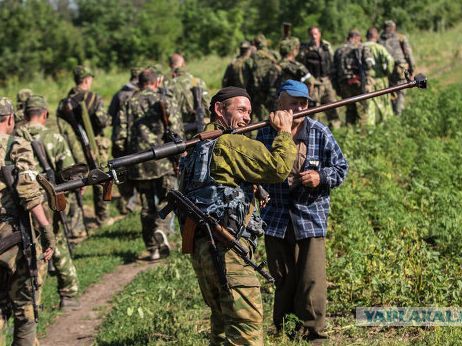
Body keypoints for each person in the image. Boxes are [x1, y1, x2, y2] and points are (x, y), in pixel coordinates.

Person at [179, 86, 296, 345]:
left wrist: (253, 187)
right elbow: (279, 168)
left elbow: (215, 185)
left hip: (203, 254)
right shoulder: (229, 142)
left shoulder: (197, 146)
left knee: (222, 326)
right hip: (228, 251)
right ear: (219, 110)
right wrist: (285, 132)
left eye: (250, 112)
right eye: (241, 110)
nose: (246, 118)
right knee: (246, 331)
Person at [256, 80, 348, 343]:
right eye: (293, 103)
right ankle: (285, 330)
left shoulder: (319, 132)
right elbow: (253, 172)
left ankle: (313, 334)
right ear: (279, 104)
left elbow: (341, 168)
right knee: (283, 278)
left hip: (310, 217)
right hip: (275, 219)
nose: (298, 108)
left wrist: (321, 177)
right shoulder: (264, 134)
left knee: (312, 279)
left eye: (303, 103)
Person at [17, 95, 81, 310]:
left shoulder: (14, 139)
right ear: (44, 114)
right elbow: (71, 172)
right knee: (56, 244)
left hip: (21, 203)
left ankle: (33, 300)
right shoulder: (54, 138)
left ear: (25, 115)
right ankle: (69, 294)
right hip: (50, 202)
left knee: (27, 249)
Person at [0, 97, 55, 346]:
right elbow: (29, 194)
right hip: (12, 238)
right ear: (11, 119)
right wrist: (47, 230)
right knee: (25, 309)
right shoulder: (16, 144)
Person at [114, 67, 183, 261]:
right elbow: (177, 132)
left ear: (139, 82)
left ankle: (152, 248)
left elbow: (119, 137)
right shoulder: (164, 100)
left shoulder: (128, 102)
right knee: (170, 198)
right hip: (165, 160)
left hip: (138, 162)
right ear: (156, 82)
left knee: (146, 206)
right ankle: (161, 228)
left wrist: (122, 162)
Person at [57, 65, 110, 227]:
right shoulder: (93, 98)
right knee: (101, 178)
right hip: (94, 145)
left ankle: (76, 222)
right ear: (87, 80)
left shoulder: (65, 101)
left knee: (76, 182)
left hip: (73, 148)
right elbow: (102, 120)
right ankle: (102, 217)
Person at [109, 67, 141, 215]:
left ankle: (128, 199)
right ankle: (133, 200)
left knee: (122, 170)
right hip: (136, 138)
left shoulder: (119, 94)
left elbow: (110, 117)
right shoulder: (140, 95)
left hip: (119, 137)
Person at [299, 26, 340, 129]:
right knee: (313, 108)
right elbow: (301, 66)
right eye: (312, 34)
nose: (314, 36)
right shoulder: (305, 49)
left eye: (316, 34)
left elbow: (332, 62)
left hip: (326, 81)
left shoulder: (326, 47)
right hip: (313, 82)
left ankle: (336, 128)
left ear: (319, 34)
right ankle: (310, 129)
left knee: (332, 104)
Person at [165, 53, 210, 139]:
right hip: (198, 128)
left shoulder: (167, 84)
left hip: (177, 132)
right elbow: (207, 107)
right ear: (183, 64)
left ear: (170, 65)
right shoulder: (196, 81)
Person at [379, 20, 416, 115]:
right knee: (401, 91)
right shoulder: (400, 37)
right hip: (400, 68)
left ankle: (392, 112)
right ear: (394, 28)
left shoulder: (380, 40)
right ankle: (398, 113)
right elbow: (408, 54)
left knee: (391, 91)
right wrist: (412, 69)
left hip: (386, 69)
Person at [333, 30, 369, 125]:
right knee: (362, 109)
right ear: (357, 37)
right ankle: (362, 133)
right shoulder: (361, 48)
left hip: (344, 84)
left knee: (349, 109)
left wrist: (337, 88)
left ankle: (349, 131)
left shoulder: (339, 50)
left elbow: (334, 71)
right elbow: (368, 65)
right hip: (358, 82)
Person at [362, 27, 395, 126]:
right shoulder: (379, 48)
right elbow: (390, 60)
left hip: (366, 80)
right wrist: (387, 72)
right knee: (384, 103)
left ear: (366, 36)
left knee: (370, 105)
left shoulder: (360, 47)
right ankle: (387, 125)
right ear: (376, 36)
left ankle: (369, 127)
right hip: (379, 79)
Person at [246, 34, 281, 121]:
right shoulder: (274, 55)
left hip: (258, 91)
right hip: (273, 90)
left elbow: (248, 75)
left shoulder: (252, 57)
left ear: (255, 44)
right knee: (274, 116)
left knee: (260, 118)